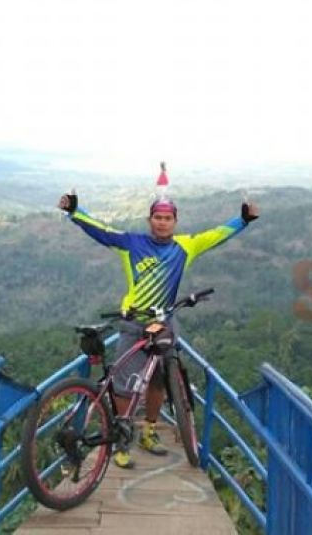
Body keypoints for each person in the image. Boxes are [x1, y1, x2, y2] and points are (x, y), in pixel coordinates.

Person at [57, 169, 258, 469]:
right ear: (149, 220)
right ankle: (122, 438)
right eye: (157, 217)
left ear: (175, 221)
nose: (162, 222)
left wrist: (242, 220)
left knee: (159, 380)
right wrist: (75, 211)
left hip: (164, 323)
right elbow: (100, 230)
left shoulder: (186, 246)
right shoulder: (131, 243)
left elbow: (217, 235)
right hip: (133, 322)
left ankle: (149, 430)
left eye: (167, 218)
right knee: (124, 385)